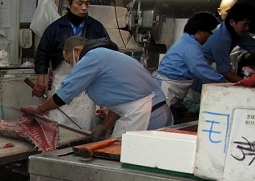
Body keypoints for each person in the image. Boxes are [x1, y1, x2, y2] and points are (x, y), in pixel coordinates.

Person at [29, 36, 168, 141]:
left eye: (69, 61)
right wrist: (105, 126)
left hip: (144, 116)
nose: (71, 66)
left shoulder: (92, 57)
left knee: (124, 165)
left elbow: (64, 94)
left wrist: (39, 110)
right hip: (158, 112)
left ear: (76, 51)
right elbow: (122, 103)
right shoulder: (106, 55)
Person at [31, 0, 110, 98]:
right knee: (57, 114)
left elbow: (107, 54)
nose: (84, 7)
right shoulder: (55, 28)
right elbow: (42, 54)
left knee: (84, 115)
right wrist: (41, 81)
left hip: (88, 84)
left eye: (87, 3)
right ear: (68, 4)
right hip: (62, 81)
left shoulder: (97, 28)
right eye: (80, 3)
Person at [154, 12, 225, 109]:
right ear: (200, 31)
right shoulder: (190, 46)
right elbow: (201, 70)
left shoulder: (186, 40)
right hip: (167, 88)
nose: (208, 39)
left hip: (170, 87)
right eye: (208, 35)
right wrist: (224, 81)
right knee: (163, 118)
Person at [202, 2, 255, 83]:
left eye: (249, 25)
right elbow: (225, 71)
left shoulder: (238, 33)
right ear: (232, 22)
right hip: (195, 76)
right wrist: (247, 82)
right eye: (245, 24)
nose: (247, 28)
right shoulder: (220, 39)